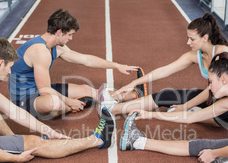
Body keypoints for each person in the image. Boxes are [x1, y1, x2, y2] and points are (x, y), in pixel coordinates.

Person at [102, 13, 228, 128]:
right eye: (187, 38)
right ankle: (114, 109)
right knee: (166, 94)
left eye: (192, 39)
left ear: (205, 38)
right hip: (211, 96)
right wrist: (134, 82)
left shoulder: (222, 53)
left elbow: (212, 90)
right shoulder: (195, 56)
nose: (188, 42)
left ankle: (194, 111)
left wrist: (185, 106)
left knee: (223, 120)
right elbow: (164, 71)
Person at [9, 8, 141, 119]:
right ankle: (75, 106)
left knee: (86, 89)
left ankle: (133, 95)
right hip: (24, 98)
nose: (71, 38)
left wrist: (117, 65)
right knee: (55, 104)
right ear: (59, 32)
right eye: (70, 35)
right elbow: (45, 90)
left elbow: (86, 60)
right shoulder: (40, 51)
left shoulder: (56, 47)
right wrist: (69, 101)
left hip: (40, 89)